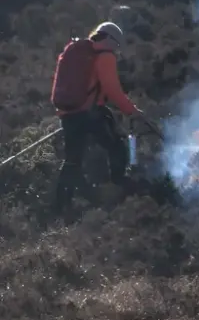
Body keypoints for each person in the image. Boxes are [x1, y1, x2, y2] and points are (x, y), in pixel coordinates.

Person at [52, 21, 143, 209]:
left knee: (72, 159)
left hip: (68, 113)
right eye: (117, 44)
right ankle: (119, 183)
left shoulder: (76, 49)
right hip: (90, 113)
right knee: (116, 144)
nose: (117, 50)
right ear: (110, 39)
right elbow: (113, 90)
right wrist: (131, 111)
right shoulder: (104, 56)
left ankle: (61, 205)